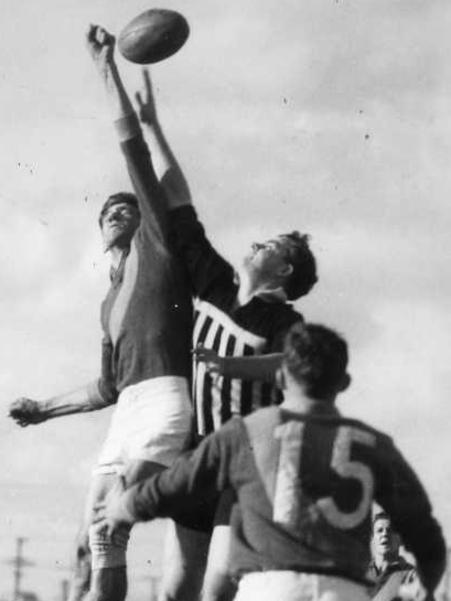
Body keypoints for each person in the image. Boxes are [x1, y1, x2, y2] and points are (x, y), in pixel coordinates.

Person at [9, 26, 209, 601]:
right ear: (99, 234)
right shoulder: (109, 302)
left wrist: (105, 68)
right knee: (98, 540)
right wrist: (44, 408)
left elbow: (131, 149)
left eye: (129, 205)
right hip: (125, 412)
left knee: (116, 515)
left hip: (167, 401)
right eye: (110, 210)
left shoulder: (158, 248)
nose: (121, 210)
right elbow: (105, 386)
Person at [93, 321, 447, 601]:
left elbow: (176, 485)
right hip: (345, 591)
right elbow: (423, 529)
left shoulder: (247, 432)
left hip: (270, 587)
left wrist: (122, 506)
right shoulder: (373, 443)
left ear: (280, 375)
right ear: (344, 382)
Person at [134, 70, 318, 600]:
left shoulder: (285, 324)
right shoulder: (217, 283)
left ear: (285, 271)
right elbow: (179, 204)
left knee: (217, 588)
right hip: (199, 456)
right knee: (175, 591)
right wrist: (153, 126)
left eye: (271, 244)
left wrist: (230, 366)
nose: (258, 243)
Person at [369, 512, 422, 601]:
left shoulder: (412, 576)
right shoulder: (362, 574)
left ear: (401, 539)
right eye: (379, 530)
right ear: (372, 538)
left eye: (390, 530)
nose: (384, 534)